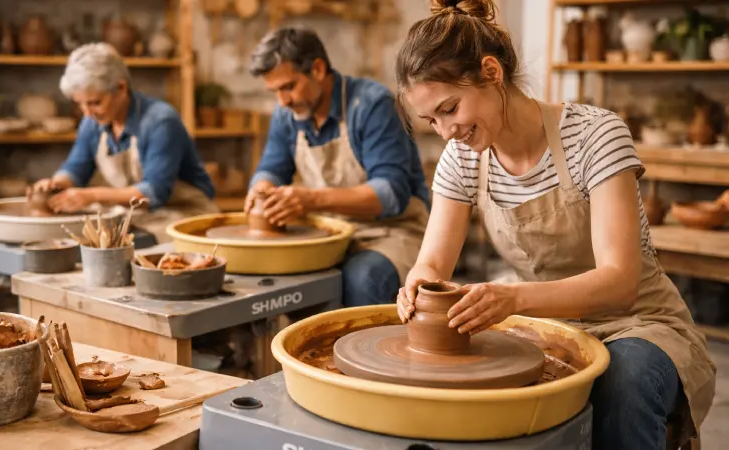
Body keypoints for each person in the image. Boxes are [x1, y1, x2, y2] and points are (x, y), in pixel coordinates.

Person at [394, 1, 716, 449]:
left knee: (621, 379)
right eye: (432, 120)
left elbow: (619, 283)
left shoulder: (595, 136)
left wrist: (511, 299)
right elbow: (431, 263)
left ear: (491, 72)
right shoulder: (463, 158)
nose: (446, 131)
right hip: (550, 326)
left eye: (450, 108)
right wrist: (418, 287)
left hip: (640, 323)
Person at [245, 28, 431, 307]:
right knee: (283, 279)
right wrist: (261, 189)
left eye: (288, 87)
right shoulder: (287, 115)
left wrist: (312, 199)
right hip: (331, 230)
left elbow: (390, 195)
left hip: (392, 231)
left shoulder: (371, 105)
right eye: (275, 92)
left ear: (318, 69)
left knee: (362, 277)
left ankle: (361, 350)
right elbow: (271, 167)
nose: (282, 101)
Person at [31, 43, 219, 243]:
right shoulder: (92, 121)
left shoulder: (161, 121)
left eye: (95, 102)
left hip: (181, 212)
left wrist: (91, 195)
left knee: (111, 247)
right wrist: (56, 183)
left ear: (121, 88)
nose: (87, 113)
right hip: (136, 214)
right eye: (80, 103)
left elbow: (154, 193)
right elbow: (77, 167)